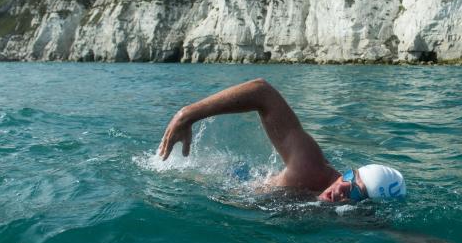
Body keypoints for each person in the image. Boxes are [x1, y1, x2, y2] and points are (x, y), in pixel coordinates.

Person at [158, 78, 406, 203]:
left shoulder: (355, 221)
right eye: (351, 177)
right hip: (230, 185)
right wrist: (187, 115)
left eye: (355, 193)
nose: (342, 188)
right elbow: (262, 92)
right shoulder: (310, 170)